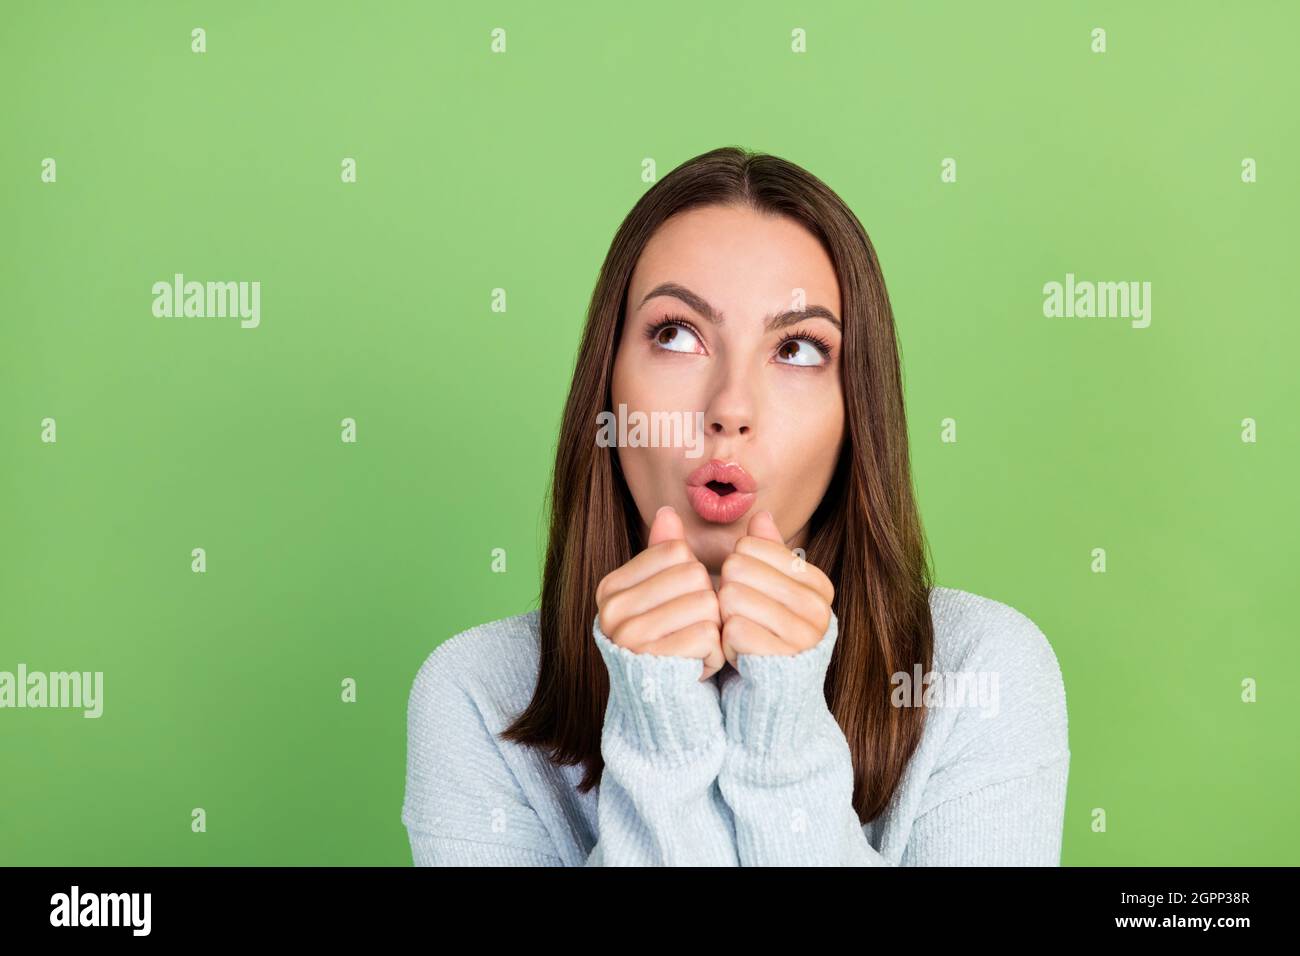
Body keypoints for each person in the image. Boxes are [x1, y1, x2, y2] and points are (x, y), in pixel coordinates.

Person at [401, 146, 1070, 865]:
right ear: (607, 386)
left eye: (800, 349)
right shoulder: (476, 694)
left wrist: (782, 734)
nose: (730, 409)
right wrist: (658, 724)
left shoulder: (980, 675)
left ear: (858, 413)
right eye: (677, 335)